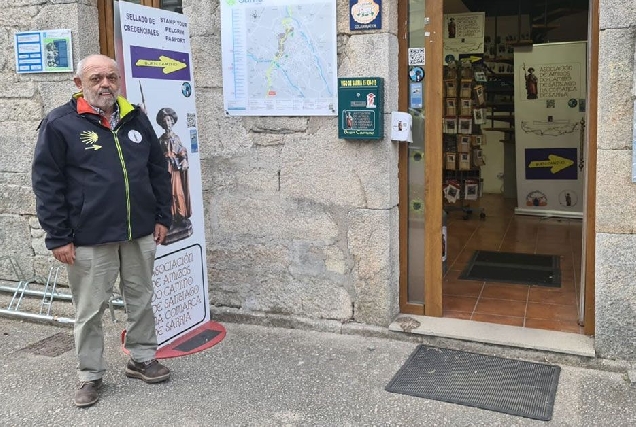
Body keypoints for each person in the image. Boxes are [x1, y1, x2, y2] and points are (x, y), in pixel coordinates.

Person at [31, 54, 173, 408]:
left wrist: (162, 216)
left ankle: (142, 358)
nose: (105, 84)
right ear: (79, 84)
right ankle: (90, 375)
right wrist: (58, 236)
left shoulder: (135, 117)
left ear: (119, 81)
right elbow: (47, 184)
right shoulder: (60, 123)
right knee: (90, 309)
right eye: (96, 78)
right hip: (88, 236)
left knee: (141, 299)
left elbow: (158, 170)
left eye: (111, 77)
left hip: (139, 230)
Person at [156, 107, 192, 228]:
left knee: (177, 192)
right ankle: (170, 217)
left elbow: (182, 151)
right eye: (164, 121)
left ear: (172, 121)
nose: (167, 123)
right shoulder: (160, 140)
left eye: (169, 120)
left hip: (175, 168)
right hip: (165, 169)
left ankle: (180, 215)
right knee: (167, 192)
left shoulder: (176, 138)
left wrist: (184, 160)